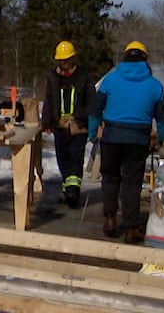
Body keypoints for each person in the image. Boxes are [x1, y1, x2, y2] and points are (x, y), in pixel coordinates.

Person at [88, 41, 164, 244]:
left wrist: (92, 133)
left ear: (124, 58)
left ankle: (109, 218)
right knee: (132, 183)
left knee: (110, 178)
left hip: (111, 136)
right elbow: (162, 118)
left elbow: (95, 109)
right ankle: (131, 228)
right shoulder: (155, 85)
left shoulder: (110, 80)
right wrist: (162, 139)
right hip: (137, 139)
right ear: (145, 60)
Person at [39, 41, 96, 209]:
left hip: (78, 126)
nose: (63, 64)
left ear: (73, 59)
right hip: (60, 126)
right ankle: (67, 189)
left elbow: (91, 102)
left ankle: (73, 191)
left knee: (75, 159)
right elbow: (49, 100)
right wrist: (47, 121)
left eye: (66, 60)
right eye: (60, 61)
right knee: (62, 159)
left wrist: (80, 117)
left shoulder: (84, 77)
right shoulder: (53, 77)